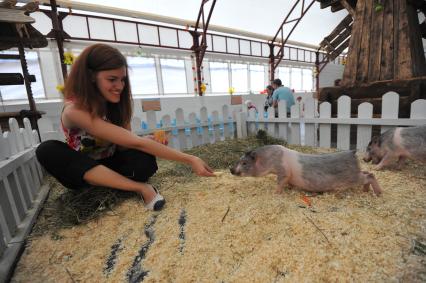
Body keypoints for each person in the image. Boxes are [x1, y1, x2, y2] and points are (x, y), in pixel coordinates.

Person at [36, 44, 215, 211]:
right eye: (112, 79)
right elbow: (134, 142)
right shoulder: (74, 110)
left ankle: (114, 184)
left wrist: (146, 141)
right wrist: (191, 159)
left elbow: (126, 143)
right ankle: (140, 188)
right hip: (84, 169)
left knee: (145, 159)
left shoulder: (116, 106)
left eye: (122, 80)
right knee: (47, 149)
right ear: (91, 76)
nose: (120, 86)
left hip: (112, 162)